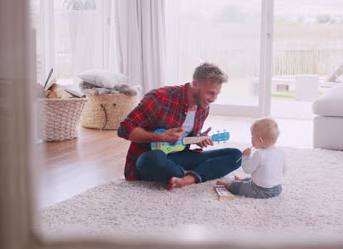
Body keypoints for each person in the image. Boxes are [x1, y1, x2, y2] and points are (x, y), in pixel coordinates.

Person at [118, 62, 242, 190]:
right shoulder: (160, 97)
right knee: (155, 159)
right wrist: (161, 137)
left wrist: (198, 139)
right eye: (210, 93)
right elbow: (125, 128)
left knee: (236, 155)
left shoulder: (203, 107)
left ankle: (187, 178)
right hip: (151, 157)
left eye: (217, 94)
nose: (213, 99)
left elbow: (183, 141)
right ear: (195, 84)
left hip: (178, 157)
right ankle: (191, 172)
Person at [216, 117, 286, 199]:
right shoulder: (280, 151)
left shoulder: (259, 154)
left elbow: (247, 170)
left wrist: (246, 156)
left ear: (260, 140)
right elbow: (284, 169)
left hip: (260, 190)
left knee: (236, 186)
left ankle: (228, 185)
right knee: (251, 179)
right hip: (277, 188)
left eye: (252, 137)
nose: (251, 139)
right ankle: (242, 181)